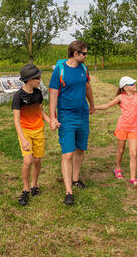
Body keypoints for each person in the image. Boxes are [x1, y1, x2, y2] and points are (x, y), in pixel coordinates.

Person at [49, 40, 95, 206]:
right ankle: (69, 191)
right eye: (84, 53)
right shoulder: (60, 70)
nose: (86, 56)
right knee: (67, 154)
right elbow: (53, 95)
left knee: (80, 149)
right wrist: (53, 117)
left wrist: (92, 104)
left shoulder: (84, 68)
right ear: (76, 54)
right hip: (66, 117)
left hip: (83, 115)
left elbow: (87, 87)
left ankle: (76, 179)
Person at [96, 76, 137, 187]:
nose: (134, 85)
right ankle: (118, 168)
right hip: (122, 127)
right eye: (131, 84)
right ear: (125, 88)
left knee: (133, 154)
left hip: (133, 129)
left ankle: (133, 178)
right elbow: (106, 105)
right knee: (121, 149)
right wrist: (93, 107)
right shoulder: (120, 97)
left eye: (134, 83)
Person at [12, 63, 50, 206]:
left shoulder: (38, 93)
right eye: (37, 78)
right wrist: (22, 139)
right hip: (26, 131)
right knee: (28, 161)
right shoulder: (18, 96)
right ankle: (25, 189)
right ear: (29, 80)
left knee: (37, 161)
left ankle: (34, 185)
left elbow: (41, 111)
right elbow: (16, 120)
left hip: (39, 130)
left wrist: (52, 121)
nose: (40, 80)